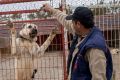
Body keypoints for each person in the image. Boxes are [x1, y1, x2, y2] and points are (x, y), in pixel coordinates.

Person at [42, 4, 113, 80]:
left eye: (72, 21)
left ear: (78, 24)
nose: (71, 23)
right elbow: (65, 20)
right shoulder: (83, 31)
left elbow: (99, 78)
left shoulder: (95, 48)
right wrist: (51, 10)